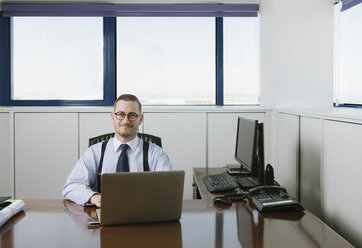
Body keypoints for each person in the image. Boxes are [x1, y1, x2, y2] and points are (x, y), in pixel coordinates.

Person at [62, 94, 173, 207]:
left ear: (140, 119)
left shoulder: (156, 154)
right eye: (120, 114)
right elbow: (71, 186)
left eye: (132, 115)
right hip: (105, 216)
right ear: (112, 117)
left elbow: (170, 190)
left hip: (143, 216)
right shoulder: (94, 152)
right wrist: (93, 197)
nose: (125, 121)